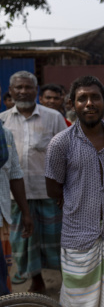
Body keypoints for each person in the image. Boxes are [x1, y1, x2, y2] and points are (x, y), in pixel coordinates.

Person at [45, 76, 104, 306]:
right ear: (71, 103)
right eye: (82, 98)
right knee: (79, 299)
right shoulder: (60, 143)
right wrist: (79, 202)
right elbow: (53, 188)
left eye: (94, 97)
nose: (89, 103)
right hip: (79, 235)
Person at [0, 71, 67, 293]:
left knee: (55, 240)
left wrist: (64, 190)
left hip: (48, 192)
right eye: (18, 87)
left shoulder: (53, 117)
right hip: (15, 195)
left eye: (28, 87)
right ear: (11, 91)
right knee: (24, 244)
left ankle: (67, 281)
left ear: (36, 90)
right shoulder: (3, 120)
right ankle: (36, 280)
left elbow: (66, 155)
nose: (23, 91)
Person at [0, 122, 33, 295]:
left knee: (3, 272)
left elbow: (14, 174)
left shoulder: (5, 133)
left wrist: (25, 213)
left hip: (2, 217)